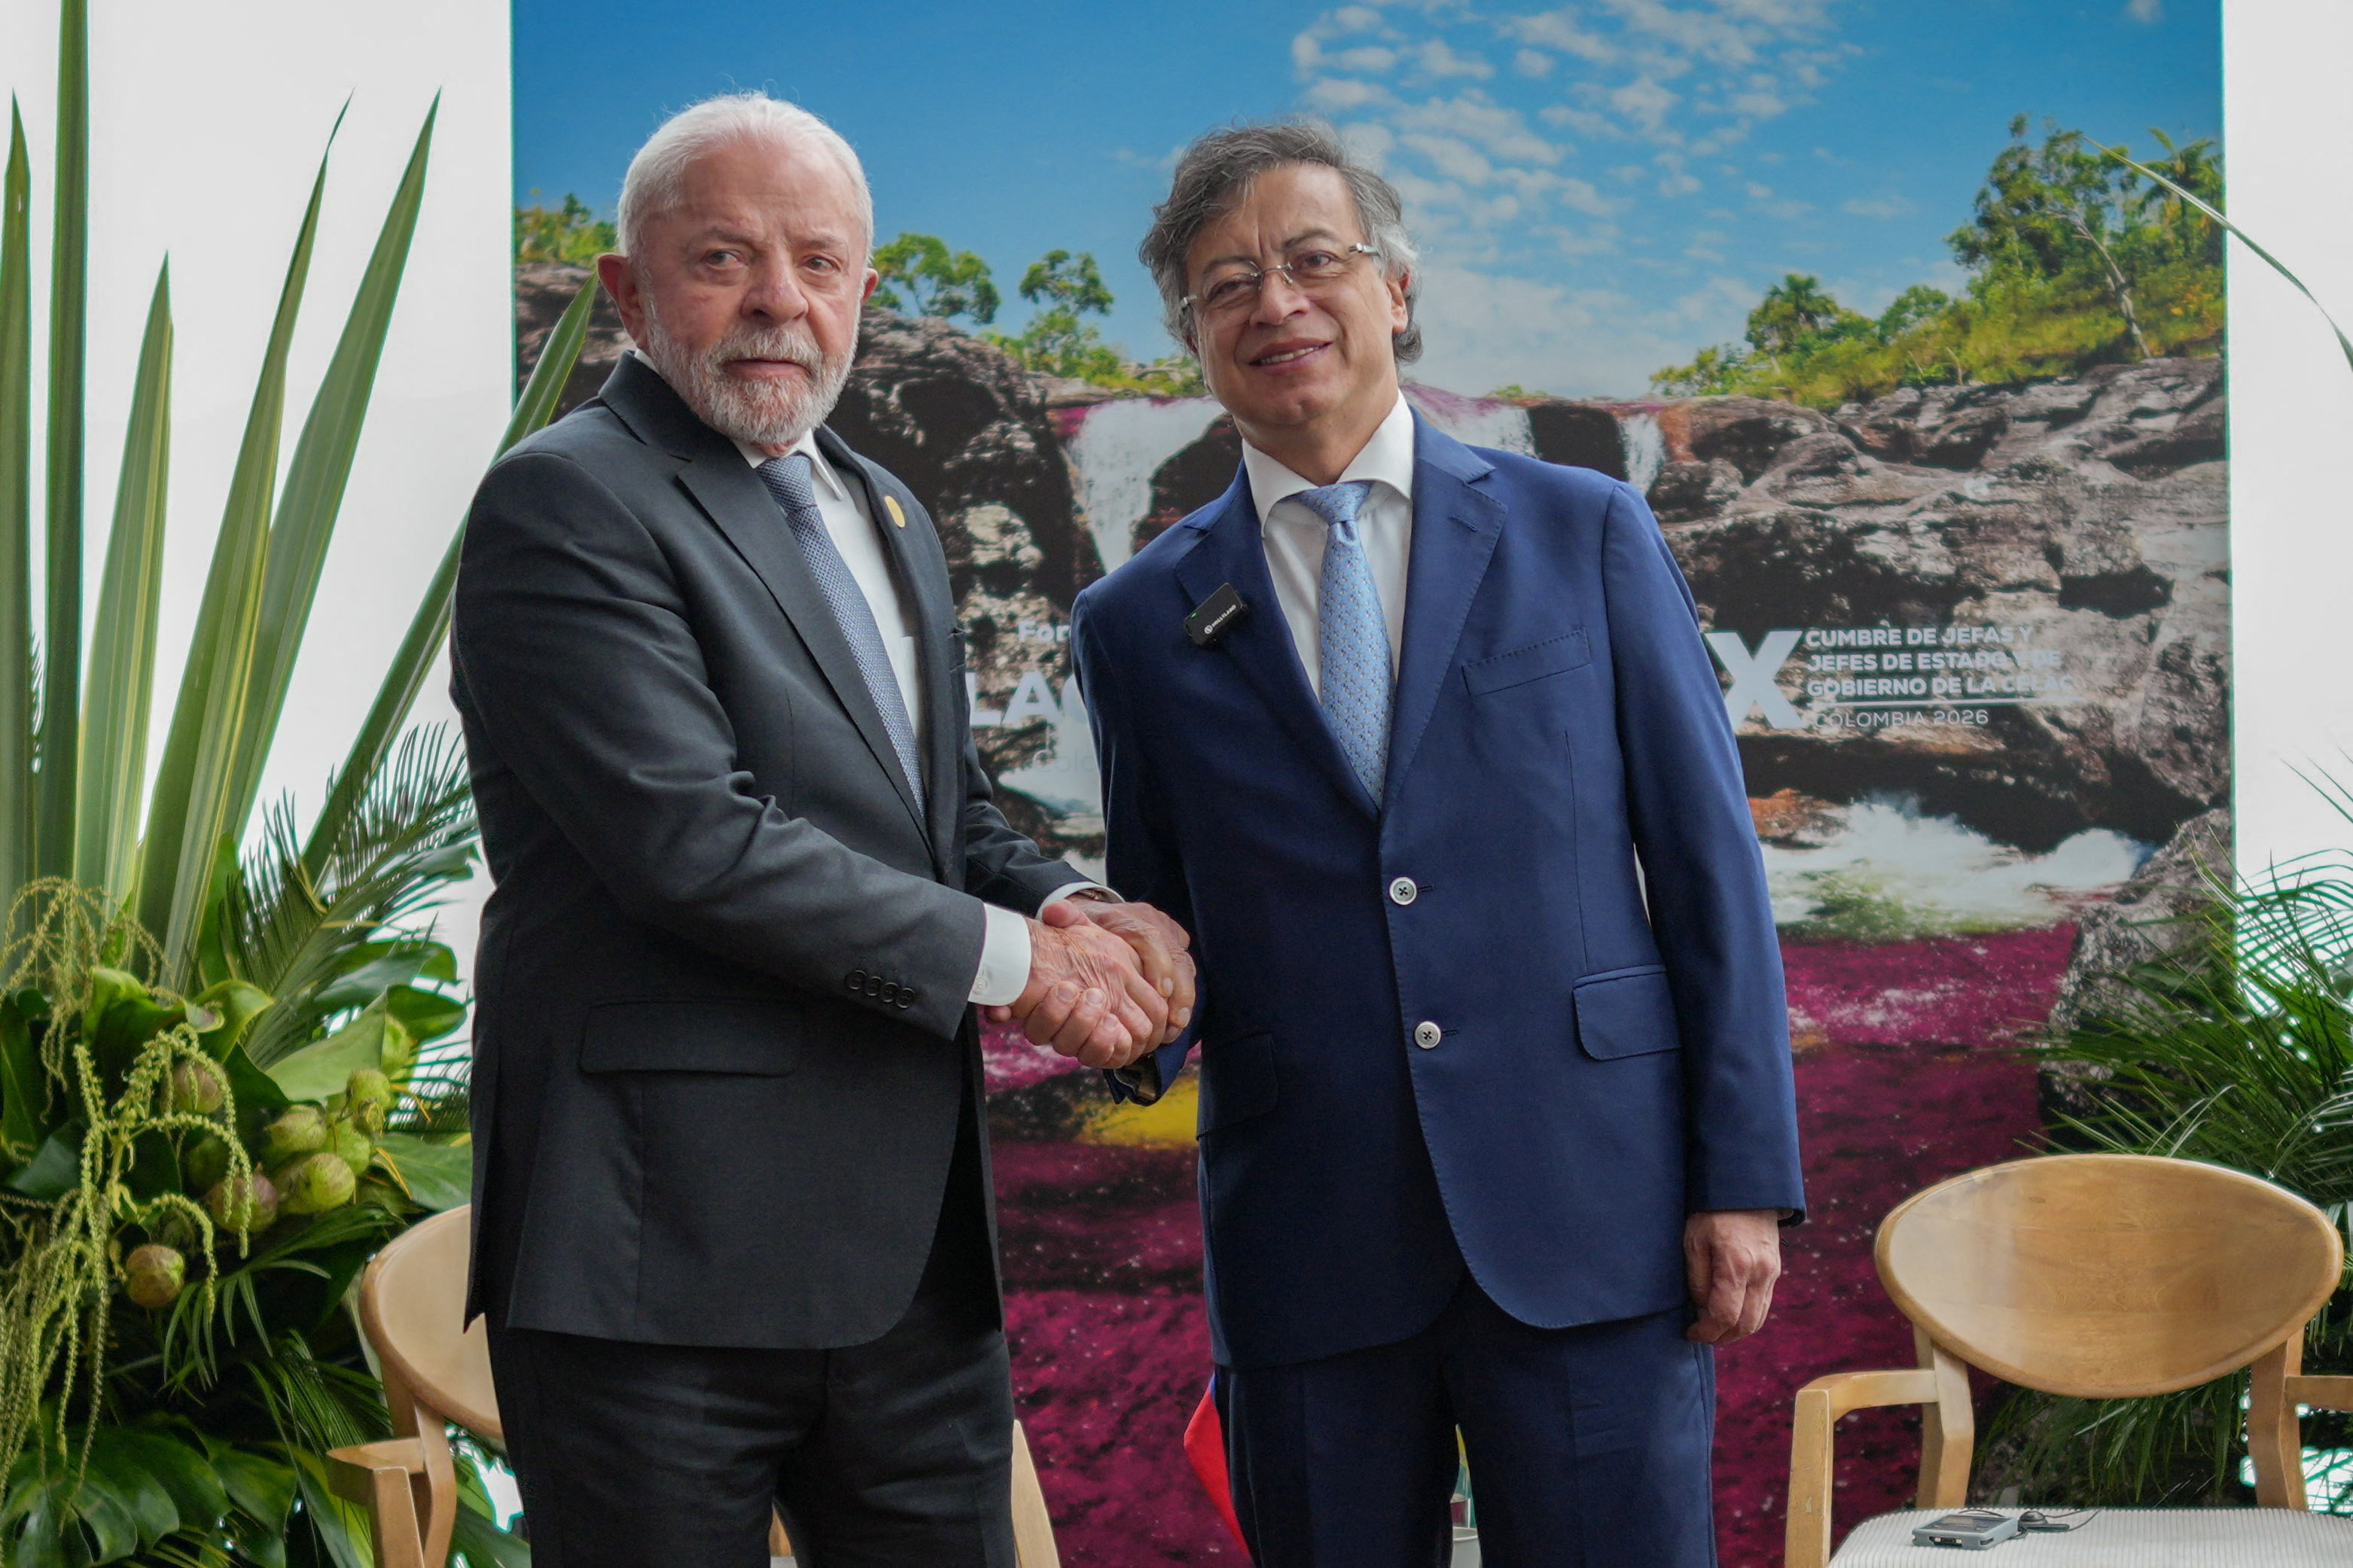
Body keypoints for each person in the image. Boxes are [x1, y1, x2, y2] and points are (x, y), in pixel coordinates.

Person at [450, 92, 1193, 1568]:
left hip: (908, 1270)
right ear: (628, 291)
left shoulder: (888, 510)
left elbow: (945, 809)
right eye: (725, 257)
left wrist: (1070, 908)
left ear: (864, 285)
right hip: (659, 1270)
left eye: (821, 260)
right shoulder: (562, 502)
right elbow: (691, 842)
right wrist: (1017, 969)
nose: (781, 300)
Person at [1070, 120, 1805, 1567]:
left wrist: (1741, 1177)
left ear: (1394, 289)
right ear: (1195, 342)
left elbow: (1709, 872)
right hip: (1307, 1248)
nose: (1275, 302)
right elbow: (1160, 926)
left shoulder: (1583, 529)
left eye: (1311, 260)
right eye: (1225, 285)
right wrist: (1098, 1000)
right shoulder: (1136, 622)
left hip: (1595, 1218)